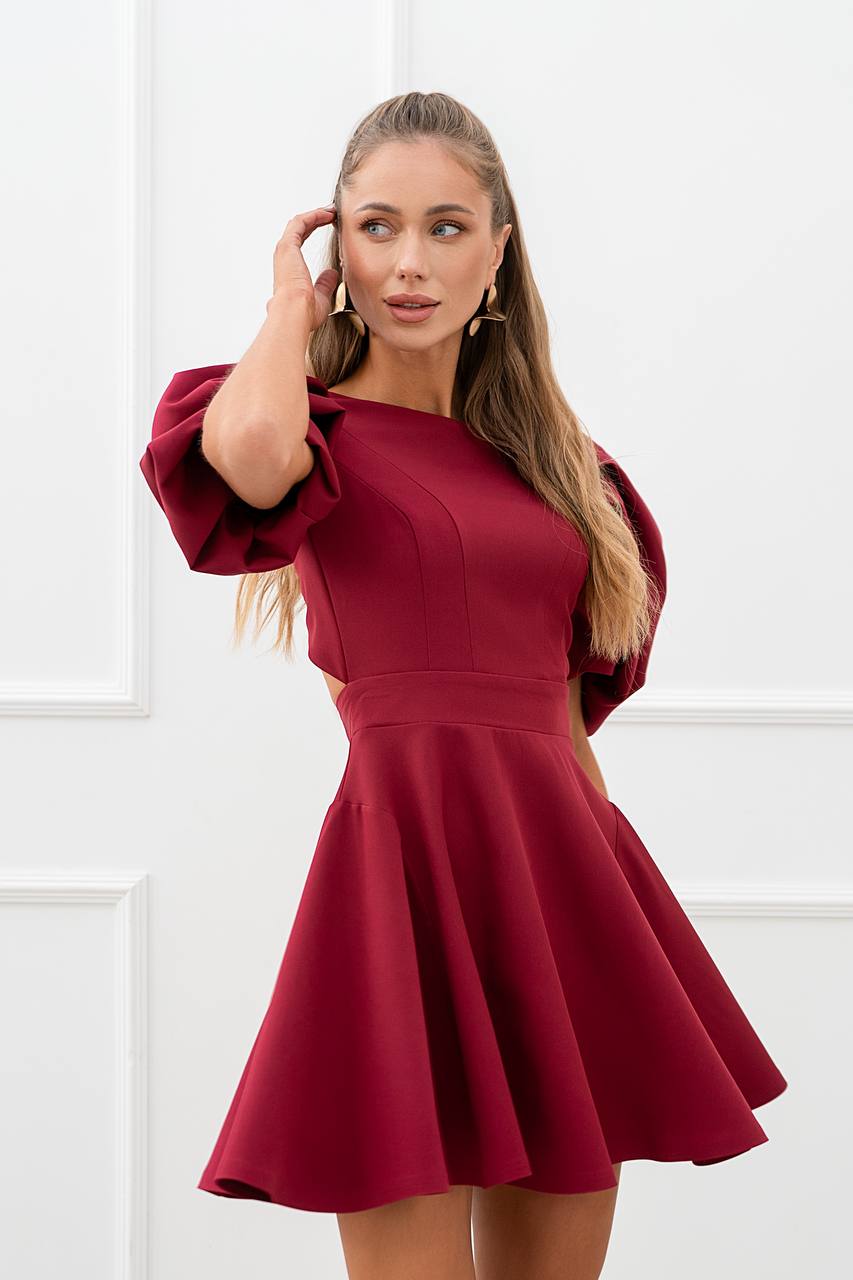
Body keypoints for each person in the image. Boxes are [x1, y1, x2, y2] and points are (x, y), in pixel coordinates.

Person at [139, 91, 787, 1280]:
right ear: (338, 245)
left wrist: (600, 880)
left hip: (562, 868)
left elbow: (567, 704)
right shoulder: (313, 429)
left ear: (498, 248)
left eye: (446, 227)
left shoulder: (565, 470)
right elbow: (246, 459)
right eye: (375, 227)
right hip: (401, 871)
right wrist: (293, 305)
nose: (409, 262)